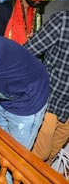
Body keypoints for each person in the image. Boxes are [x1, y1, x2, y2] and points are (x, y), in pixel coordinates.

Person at [24, 11, 69, 164]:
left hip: (67, 112)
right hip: (49, 101)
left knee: (48, 160)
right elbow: (28, 51)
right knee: (37, 156)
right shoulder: (63, 20)